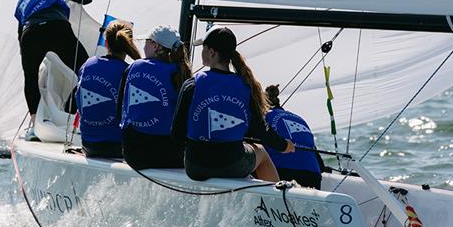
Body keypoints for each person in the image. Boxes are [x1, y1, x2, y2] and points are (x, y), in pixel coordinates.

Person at [171, 27, 294, 182]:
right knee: (261, 152)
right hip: (233, 165)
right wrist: (285, 146)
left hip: (195, 167)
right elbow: (262, 130)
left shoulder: (192, 84)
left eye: (203, 48)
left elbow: (177, 133)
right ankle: (276, 204)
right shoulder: (245, 85)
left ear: (211, 52)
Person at [15, 0, 92, 140]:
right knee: (86, 73)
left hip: (31, 33)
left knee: (30, 78)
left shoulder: (21, 4)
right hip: (58, 28)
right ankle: (77, 115)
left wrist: (34, 60)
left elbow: (21, 40)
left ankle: (34, 127)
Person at [119, 26, 191, 170]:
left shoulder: (134, 66)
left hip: (134, 154)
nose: (143, 46)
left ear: (156, 46)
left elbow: (118, 112)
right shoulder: (180, 73)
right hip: (171, 155)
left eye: (146, 41)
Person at [74, 20, 141, 158]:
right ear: (128, 45)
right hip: (117, 147)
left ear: (106, 43)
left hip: (88, 145)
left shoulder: (88, 64)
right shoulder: (130, 72)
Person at [263, 85, 323, 189]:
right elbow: (320, 163)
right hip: (314, 176)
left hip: (284, 174)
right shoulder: (300, 119)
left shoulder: (264, 116)